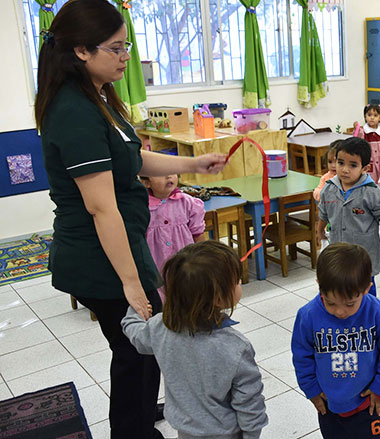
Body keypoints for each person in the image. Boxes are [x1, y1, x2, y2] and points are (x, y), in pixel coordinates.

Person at [35, 1, 225, 437]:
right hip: (99, 254)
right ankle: (133, 429)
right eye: (117, 48)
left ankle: (137, 419)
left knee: (143, 348)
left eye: (127, 46)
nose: (126, 58)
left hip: (119, 245)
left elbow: (131, 157)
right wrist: (131, 282)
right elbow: (101, 207)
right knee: (139, 348)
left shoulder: (98, 97)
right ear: (82, 50)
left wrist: (194, 165)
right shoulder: (74, 112)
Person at [122, 241, 268, 439]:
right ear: (218, 298)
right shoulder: (236, 347)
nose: (240, 284)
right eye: (237, 281)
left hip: (185, 430)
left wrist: (135, 310)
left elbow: (136, 335)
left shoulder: (161, 327)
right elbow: (249, 402)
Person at [291, 243, 380, 439]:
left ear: (367, 288)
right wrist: (311, 390)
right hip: (329, 406)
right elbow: (302, 357)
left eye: (350, 303)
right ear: (319, 286)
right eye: (330, 302)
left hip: (369, 403)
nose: (340, 311)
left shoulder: (378, 313)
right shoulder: (308, 316)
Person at [316, 137, 380, 296]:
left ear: (364, 168)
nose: (345, 169)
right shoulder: (329, 189)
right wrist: (319, 230)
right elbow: (324, 212)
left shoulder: (372, 192)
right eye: (340, 163)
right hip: (339, 247)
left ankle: (368, 314)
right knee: (341, 282)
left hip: (364, 251)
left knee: (365, 285)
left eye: (353, 165)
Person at [141, 174, 207, 303]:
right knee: (161, 301)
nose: (168, 177)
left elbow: (198, 233)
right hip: (155, 265)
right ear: (146, 183)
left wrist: (204, 260)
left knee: (189, 295)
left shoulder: (188, 202)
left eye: (172, 172)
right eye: (161, 174)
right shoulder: (142, 207)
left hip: (185, 263)